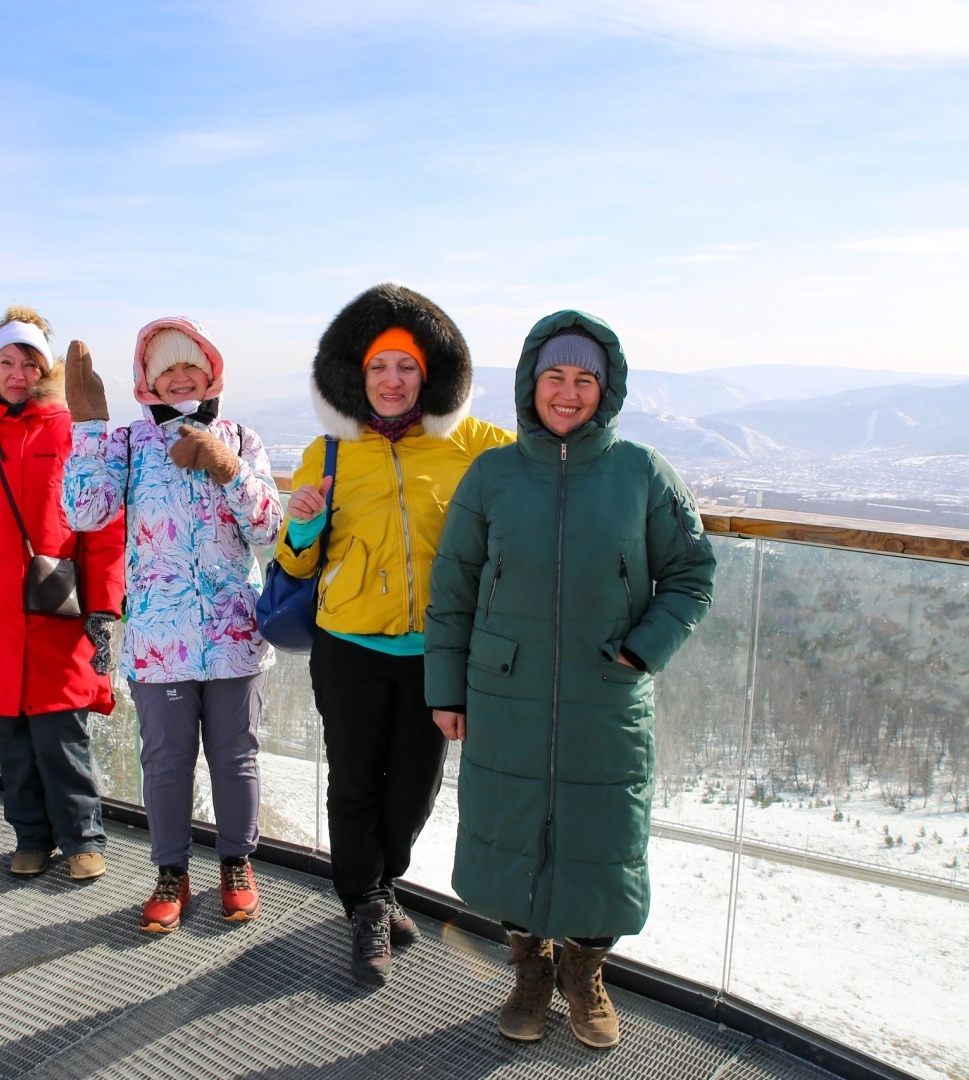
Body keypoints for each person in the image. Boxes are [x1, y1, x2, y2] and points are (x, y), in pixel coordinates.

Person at [425, 312, 717, 1049]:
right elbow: (452, 587)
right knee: (510, 829)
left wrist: (642, 651)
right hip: (504, 691)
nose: (568, 391)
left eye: (584, 379)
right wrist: (446, 689)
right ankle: (530, 967)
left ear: (606, 388)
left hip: (607, 694)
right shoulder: (492, 474)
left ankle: (585, 974)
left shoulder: (642, 473)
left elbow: (691, 573)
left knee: (601, 835)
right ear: (531, 383)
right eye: (555, 376)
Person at [276, 282, 513, 984]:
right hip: (347, 645)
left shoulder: (470, 443)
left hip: (436, 653)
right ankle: (369, 905)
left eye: (405, 366)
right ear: (358, 374)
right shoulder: (328, 451)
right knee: (353, 782)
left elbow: (543, 468)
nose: (391, 380)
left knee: (414, 788)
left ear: (430, 374)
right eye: (379, 366)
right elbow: (294, 561)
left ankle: (379, 886)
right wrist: (305, 523)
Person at [62, 318, 283, 933]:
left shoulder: (242, 437)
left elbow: (269, 530)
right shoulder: (131, 443)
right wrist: (87, 428)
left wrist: (227, 468)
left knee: (236, 756)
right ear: (147, 380)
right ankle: (170, 872)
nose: (180, 375)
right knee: (164, 760)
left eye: (191, 364)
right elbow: (83, 510)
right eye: (167, 367)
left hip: (236, 635)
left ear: (211, 371)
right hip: (160, 639)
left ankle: (237, 864)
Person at [0, 306, 126, 881]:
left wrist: (103, 606)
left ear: (45, 371)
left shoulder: (70, 432)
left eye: (29, 363)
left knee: (61, 732)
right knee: (11, 736)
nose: (17, 374)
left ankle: (83, 836)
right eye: (7, 362)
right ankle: (31, 837)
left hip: (56, 609)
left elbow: (104, 527)